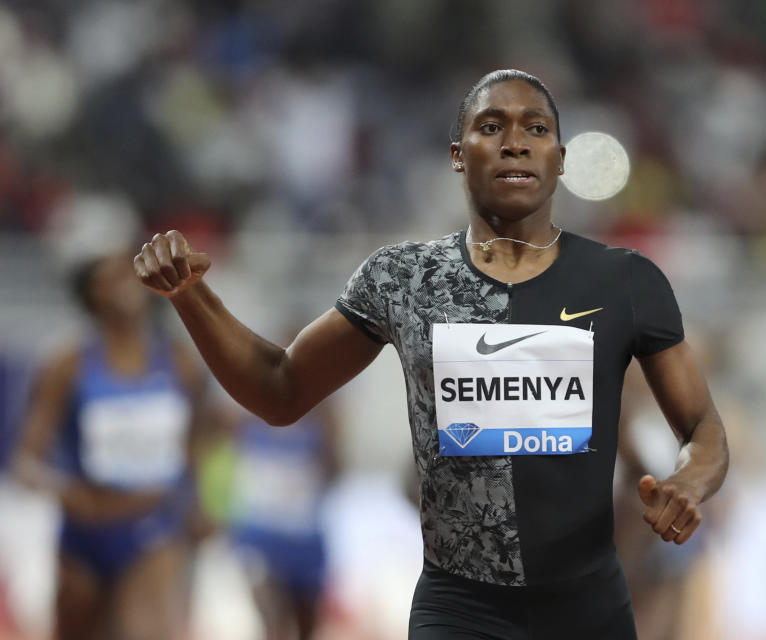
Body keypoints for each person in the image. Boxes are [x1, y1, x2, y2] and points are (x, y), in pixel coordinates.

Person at [133, 69, 729, 639]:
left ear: (562, 158)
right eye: (491, 127)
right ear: (457, 154)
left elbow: (701, 427)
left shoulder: (625, 282)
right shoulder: (402, 279)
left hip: (586, 606)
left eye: (536, 129)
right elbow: (280, 390)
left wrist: (691, 481)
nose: (515, 143)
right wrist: (191, 298)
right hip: (460, 608)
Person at [12, 252, 207, 640]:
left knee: (143, 630)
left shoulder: (180, 361)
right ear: (90, 295)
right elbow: (27, 458)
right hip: (85, 528)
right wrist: (62, 490)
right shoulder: (67, 364)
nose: (124, 285)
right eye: (109, 278)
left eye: (128, 275)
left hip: (155, 522)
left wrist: (204, 504)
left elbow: (204, 440)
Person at [224, 396, 341, 640]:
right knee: (273, 621)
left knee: (306, 627)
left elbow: (336, 469)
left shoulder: (321, 408)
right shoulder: (244, 405)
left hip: (304, 536)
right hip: (259, 534)